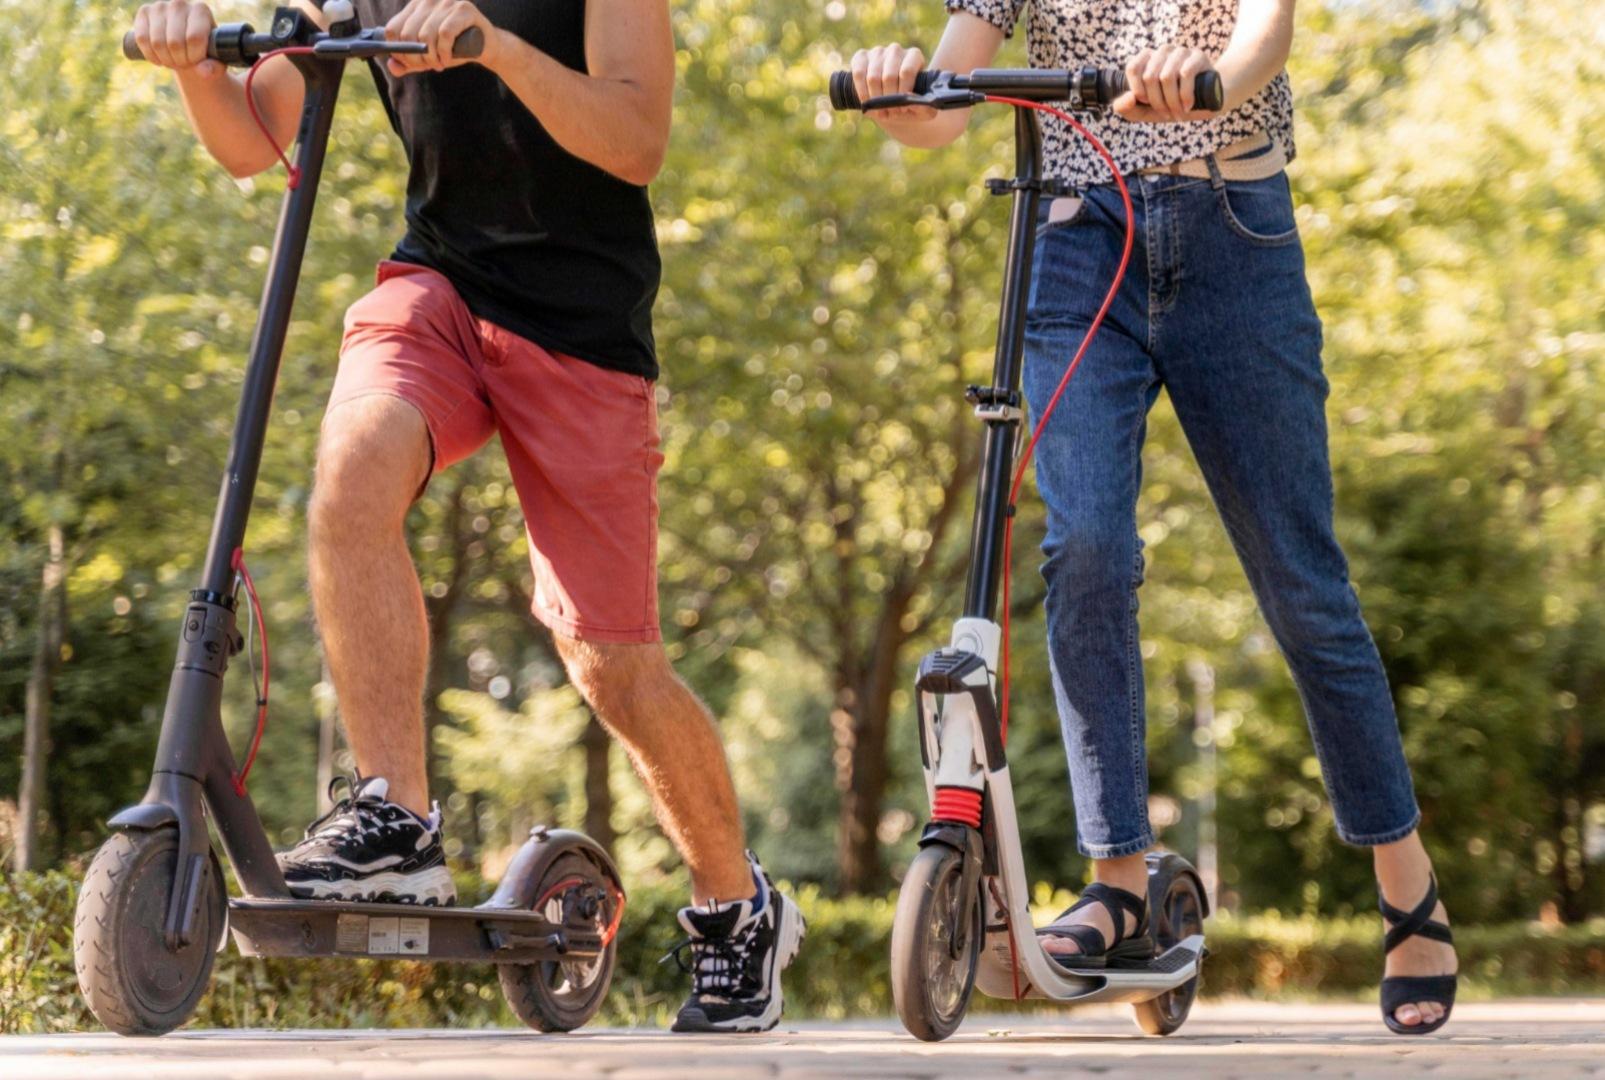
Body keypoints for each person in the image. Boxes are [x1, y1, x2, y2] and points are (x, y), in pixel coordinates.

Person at [129, 0, 802, 1033]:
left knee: (610, 661)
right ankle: (395, 816)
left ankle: (737, 906)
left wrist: (497, 47)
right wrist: (192, 62)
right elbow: (255, 141)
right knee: (349, 477)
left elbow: (637, 140)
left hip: (582, 327)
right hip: (440, 285)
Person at [851, 0, 1457, 1035]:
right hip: (1081, 243)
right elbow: (946, 103)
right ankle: (1120, 879)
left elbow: (1264, 43)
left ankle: (1407, 879)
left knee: (1302, 586)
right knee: (1083, 546)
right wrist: (893, 89)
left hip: (1236, 231)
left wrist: (1206, 71)